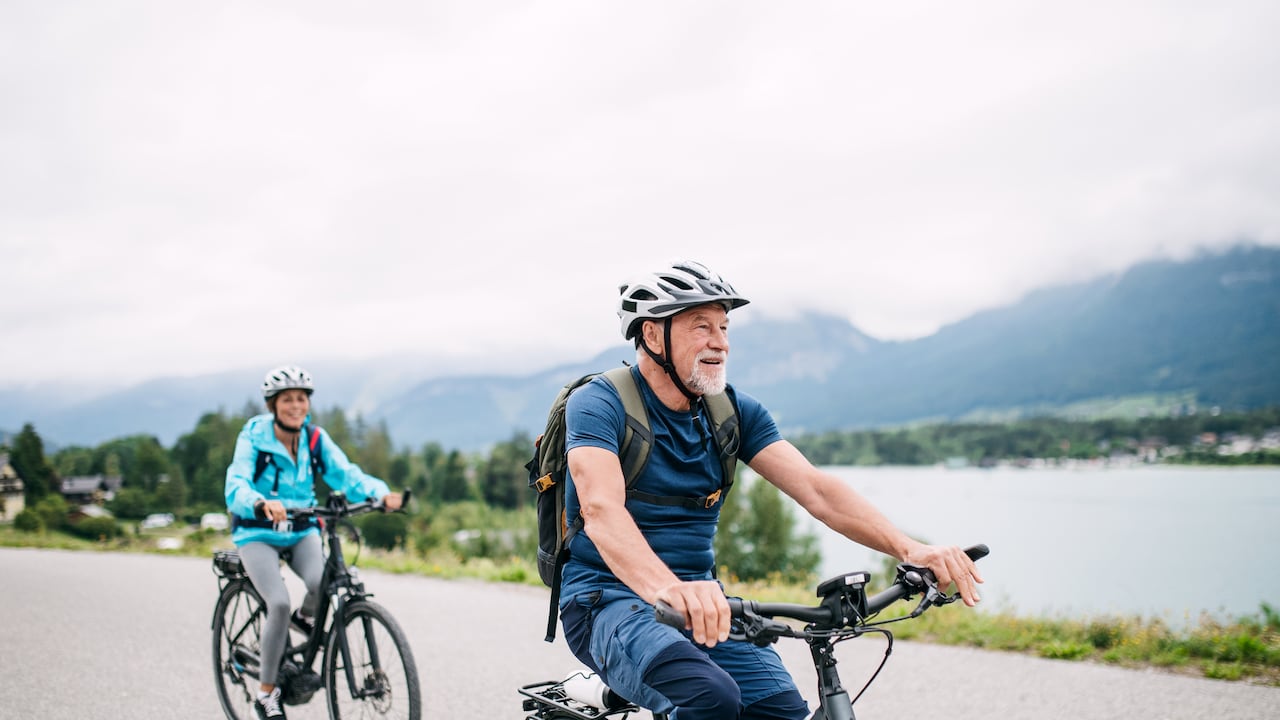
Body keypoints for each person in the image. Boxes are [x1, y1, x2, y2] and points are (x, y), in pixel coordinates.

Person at [558, 261, 983, 720]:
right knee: (710, 697)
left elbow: (817, 490)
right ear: (652, 335)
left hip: (705, 606)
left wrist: (910, 548)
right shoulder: (600, 404)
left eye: (723, 326)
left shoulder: (733, 412)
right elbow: (600, 509)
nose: (720, 342)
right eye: (701, 326)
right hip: (606, 601)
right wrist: (668, 589)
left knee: (778, 709)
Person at [225, 365, 403, 720]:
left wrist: (380, 494)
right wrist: (260, 503)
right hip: (257, 532)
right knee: (276, 603)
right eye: (287, 399)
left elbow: (346, 473)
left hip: (302, 528)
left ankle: (305, 619)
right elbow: (236, 483)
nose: (296, 406)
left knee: (326, 583)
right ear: (273, 405)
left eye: (302, 399)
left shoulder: (314, 439)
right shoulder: (254, 438)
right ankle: (266, 693)